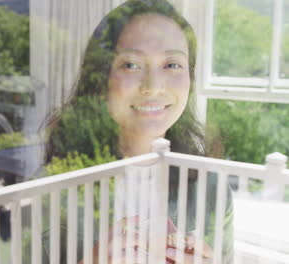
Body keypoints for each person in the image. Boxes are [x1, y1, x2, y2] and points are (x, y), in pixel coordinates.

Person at [43, 0, 234, 263]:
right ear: (100, 79)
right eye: (131, 65)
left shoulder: (212, 189)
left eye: (172, 65)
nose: (153, 87)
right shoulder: (49, 190)